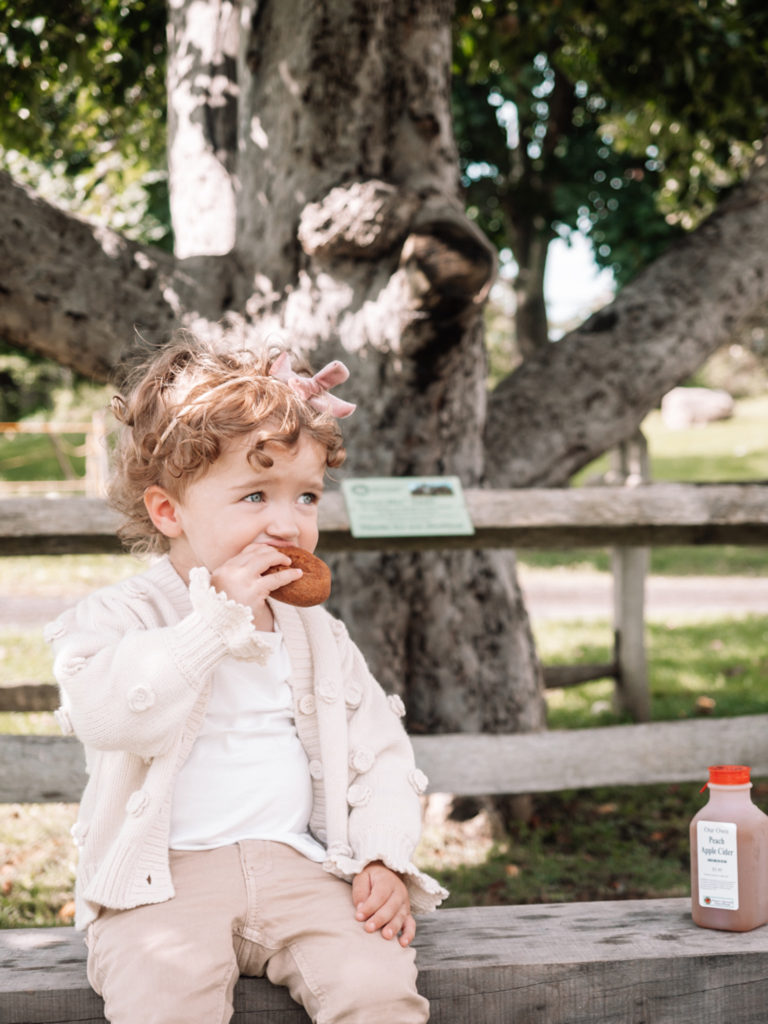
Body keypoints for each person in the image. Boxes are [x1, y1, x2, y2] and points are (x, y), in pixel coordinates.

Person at [45, 336, 446, 1024]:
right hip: (161, 882)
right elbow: (111, 715)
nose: (288, 524)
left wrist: (382, 856)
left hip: (302, 867)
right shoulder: (118, 617)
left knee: (377, 988)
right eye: (256, 494)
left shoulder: (320, 636)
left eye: (307, 497)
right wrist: (214, 622)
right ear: (170, 511)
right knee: (162, 998)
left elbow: (381, 753)